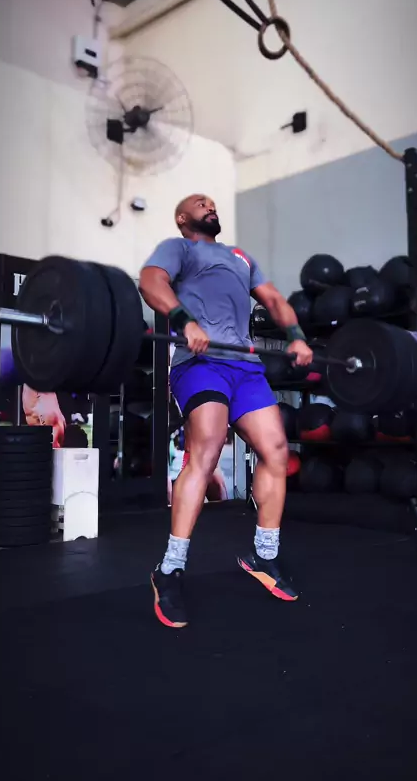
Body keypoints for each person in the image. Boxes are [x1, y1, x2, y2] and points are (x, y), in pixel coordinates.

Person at [140, 194, 313, 628]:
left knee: (277, 451)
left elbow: (274, 300)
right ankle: (170, 568)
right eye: (200, 203)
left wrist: (295, 334)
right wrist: (184, 322)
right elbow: (150, 281)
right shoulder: (179, 249)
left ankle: (264, 555)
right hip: (200, 364)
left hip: (245, 368)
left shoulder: (241, 257)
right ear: (183, 217)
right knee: (208, 449)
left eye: (213, 202)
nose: (210, 205)